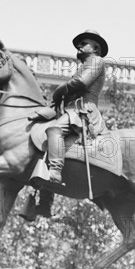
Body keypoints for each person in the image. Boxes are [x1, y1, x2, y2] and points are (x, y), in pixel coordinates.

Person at [47, 29, 109, 184]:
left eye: (83, 44)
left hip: (83, 110)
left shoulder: (97, 61)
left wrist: (59, 90)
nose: (79, 47)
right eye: (78, 44)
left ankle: (55, 170)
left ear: (95, 48)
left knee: (55, 130)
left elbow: (82, 82)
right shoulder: (84, 66)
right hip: (72, 110)